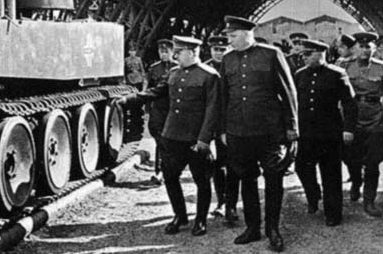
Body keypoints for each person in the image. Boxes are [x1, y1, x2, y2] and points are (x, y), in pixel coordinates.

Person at [117, 36, 220, 236]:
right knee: (171, 177)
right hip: (172, 135)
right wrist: (128, 99)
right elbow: (156, 92)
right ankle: (180, 216)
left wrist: (204, 139)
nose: (175, 56)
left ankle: (200, 220)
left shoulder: (209, 76)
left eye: (179, 52)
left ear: (192, 52)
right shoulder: (174, 73)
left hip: (195, 138)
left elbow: (213, 110)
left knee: (202, 180)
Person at [220, 16, 298, 252]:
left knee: (273, 178)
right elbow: (224, 96)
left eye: (233, 36)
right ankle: (252, 227)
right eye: (228, 36)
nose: (229, 40)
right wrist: (223, 129)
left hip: (268, 130)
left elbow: (288, 91)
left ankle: (272, 229)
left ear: (247, 33)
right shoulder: (228, 59)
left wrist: (292, 126)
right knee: (247, 178)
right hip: (238, 131)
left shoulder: (271, 54)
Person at [294, 40, 357, 226]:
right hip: (306, 133)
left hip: (330, 133)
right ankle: (313, 195)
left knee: (331, 173)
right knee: (302, 167)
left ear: (321, 54)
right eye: (303, 55)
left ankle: (333, 213)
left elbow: (350, 104)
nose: (304, 58)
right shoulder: (300, 75)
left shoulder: (337, 74)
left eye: (308, 54)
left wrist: (348, 129)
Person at [342, 32, 383, 216]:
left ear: (374, 49)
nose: (365, 50)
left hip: (376, 117)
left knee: (373, 162)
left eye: (368, 46)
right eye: (361, 46)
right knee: (351, 157)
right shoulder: (343, 67)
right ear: (354, 48)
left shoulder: (381, 68)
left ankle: (369, 201)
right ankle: (356, 181)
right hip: (352, 117)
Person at [205, 35, 239, 223]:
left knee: (230, 164)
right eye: (215, 49)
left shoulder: (235, 66)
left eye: (222, 49)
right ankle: (220, 201)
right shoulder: (205, 68)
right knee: (214, 166)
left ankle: (230, 205)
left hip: (229, 124)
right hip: (209, 124)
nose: (219, 53)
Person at [146, 39, 178, 185]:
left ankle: (170, 170)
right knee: (160, 141)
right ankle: (159, 172)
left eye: (166, 52)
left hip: (174, 109)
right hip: (158, 109)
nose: (163, 54)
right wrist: (147, 109)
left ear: (172, 52)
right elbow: (150, 89)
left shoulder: (178, 68)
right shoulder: (154, 68)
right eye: (161, 51)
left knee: (172, 142)